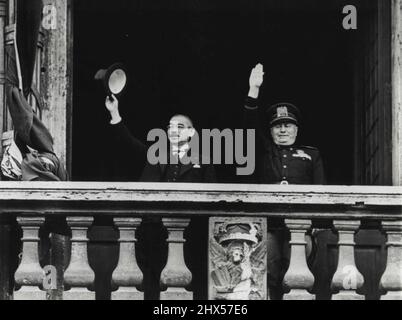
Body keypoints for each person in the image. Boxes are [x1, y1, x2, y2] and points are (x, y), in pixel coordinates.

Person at [105, 94, 216, 299]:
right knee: (153, 277)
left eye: (180, 126)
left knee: (190, 279)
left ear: (192, 132)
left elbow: (212, 195)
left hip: (191, 232)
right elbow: (128, 144)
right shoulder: (156, 154)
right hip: (154, 229)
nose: (173, 130)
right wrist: (114, 113)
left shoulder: (204, 159)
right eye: (170, 126)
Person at [244, 63, 326, 299]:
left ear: (296, 129)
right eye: (277, 126)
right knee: (266, 271)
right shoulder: (264, 151)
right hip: (269, 225)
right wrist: (253, 90)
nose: (282, 130)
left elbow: (321, 191)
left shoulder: (312, 154)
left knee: (297, 276)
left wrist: (316, 226)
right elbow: (249, 124)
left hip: (300, 226)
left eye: (287, 125)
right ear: (270, 131)